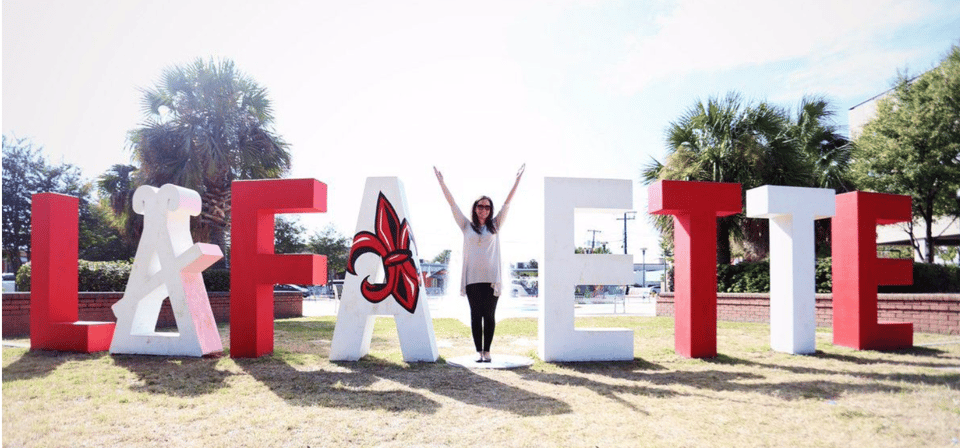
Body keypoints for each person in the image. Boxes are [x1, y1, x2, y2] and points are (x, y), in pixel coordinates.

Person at [434, 164, 525, 363]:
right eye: (480, 206)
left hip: (492, 279)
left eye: (487, 207)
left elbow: (507, 204)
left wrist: (517, 181)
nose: (484, 209)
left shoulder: (495, 225)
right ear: (475, 208)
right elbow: (453, 205)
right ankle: (478, 352)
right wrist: (442, 183)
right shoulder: (466, 225)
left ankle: (488, 351)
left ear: (490, 210)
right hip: (472, 279)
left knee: (490, 315)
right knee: (476, 315)